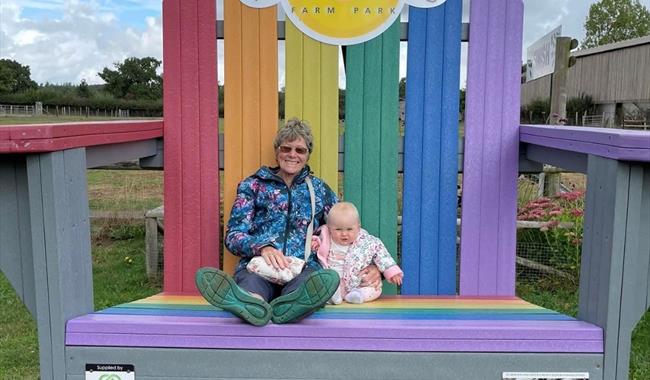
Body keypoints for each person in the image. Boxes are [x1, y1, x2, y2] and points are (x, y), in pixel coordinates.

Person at [195, 118, 381, 326]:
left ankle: (287, 306)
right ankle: (252, 304)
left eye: (300, 150)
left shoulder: (319, 190)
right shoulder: (253, 185)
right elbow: (233, 236)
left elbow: (347, 229)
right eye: (287, 148)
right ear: (277, 151)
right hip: (259, 266)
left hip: (302, 268)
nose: (293, 155)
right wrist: (262, 247)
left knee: (308, 287)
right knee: (251, 284)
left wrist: (371, 265)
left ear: (308, 154)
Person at [316, 202, 403, 304]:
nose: (344, 234)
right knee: (324, 286)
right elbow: (316, 243)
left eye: (349, 229)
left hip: (358, 283)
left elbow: (382, 255)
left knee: (374, 289)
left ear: (358, 226)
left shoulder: (367, 241)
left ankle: (358, 295)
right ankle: (333, 296)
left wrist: (392, 271)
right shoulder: (326, 239)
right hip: (335, 282)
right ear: (329, 228)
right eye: (338, 229)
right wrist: (315, 242)